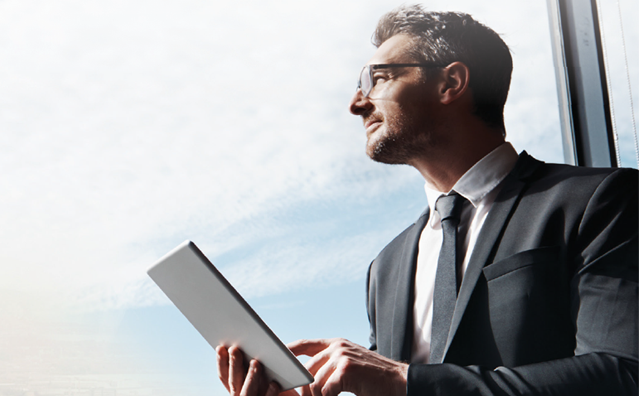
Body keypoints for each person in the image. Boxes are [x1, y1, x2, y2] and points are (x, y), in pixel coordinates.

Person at [215, 4, 638, 396]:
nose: (356, 104)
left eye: (378, 79)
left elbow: (623, 372)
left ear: (451, 83)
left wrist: (402, 378)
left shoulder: (599, 201)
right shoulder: (387, 266)